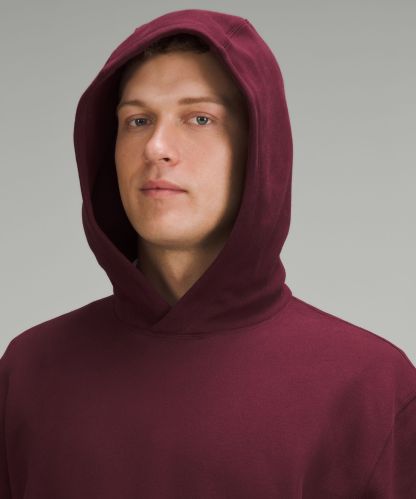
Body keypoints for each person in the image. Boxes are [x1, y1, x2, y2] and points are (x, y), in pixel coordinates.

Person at [1, 8, 415, 498]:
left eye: (199, 118)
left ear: (259, 150)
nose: (156, 147)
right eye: (137, 120)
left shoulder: (371, 388)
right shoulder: (29, 372)